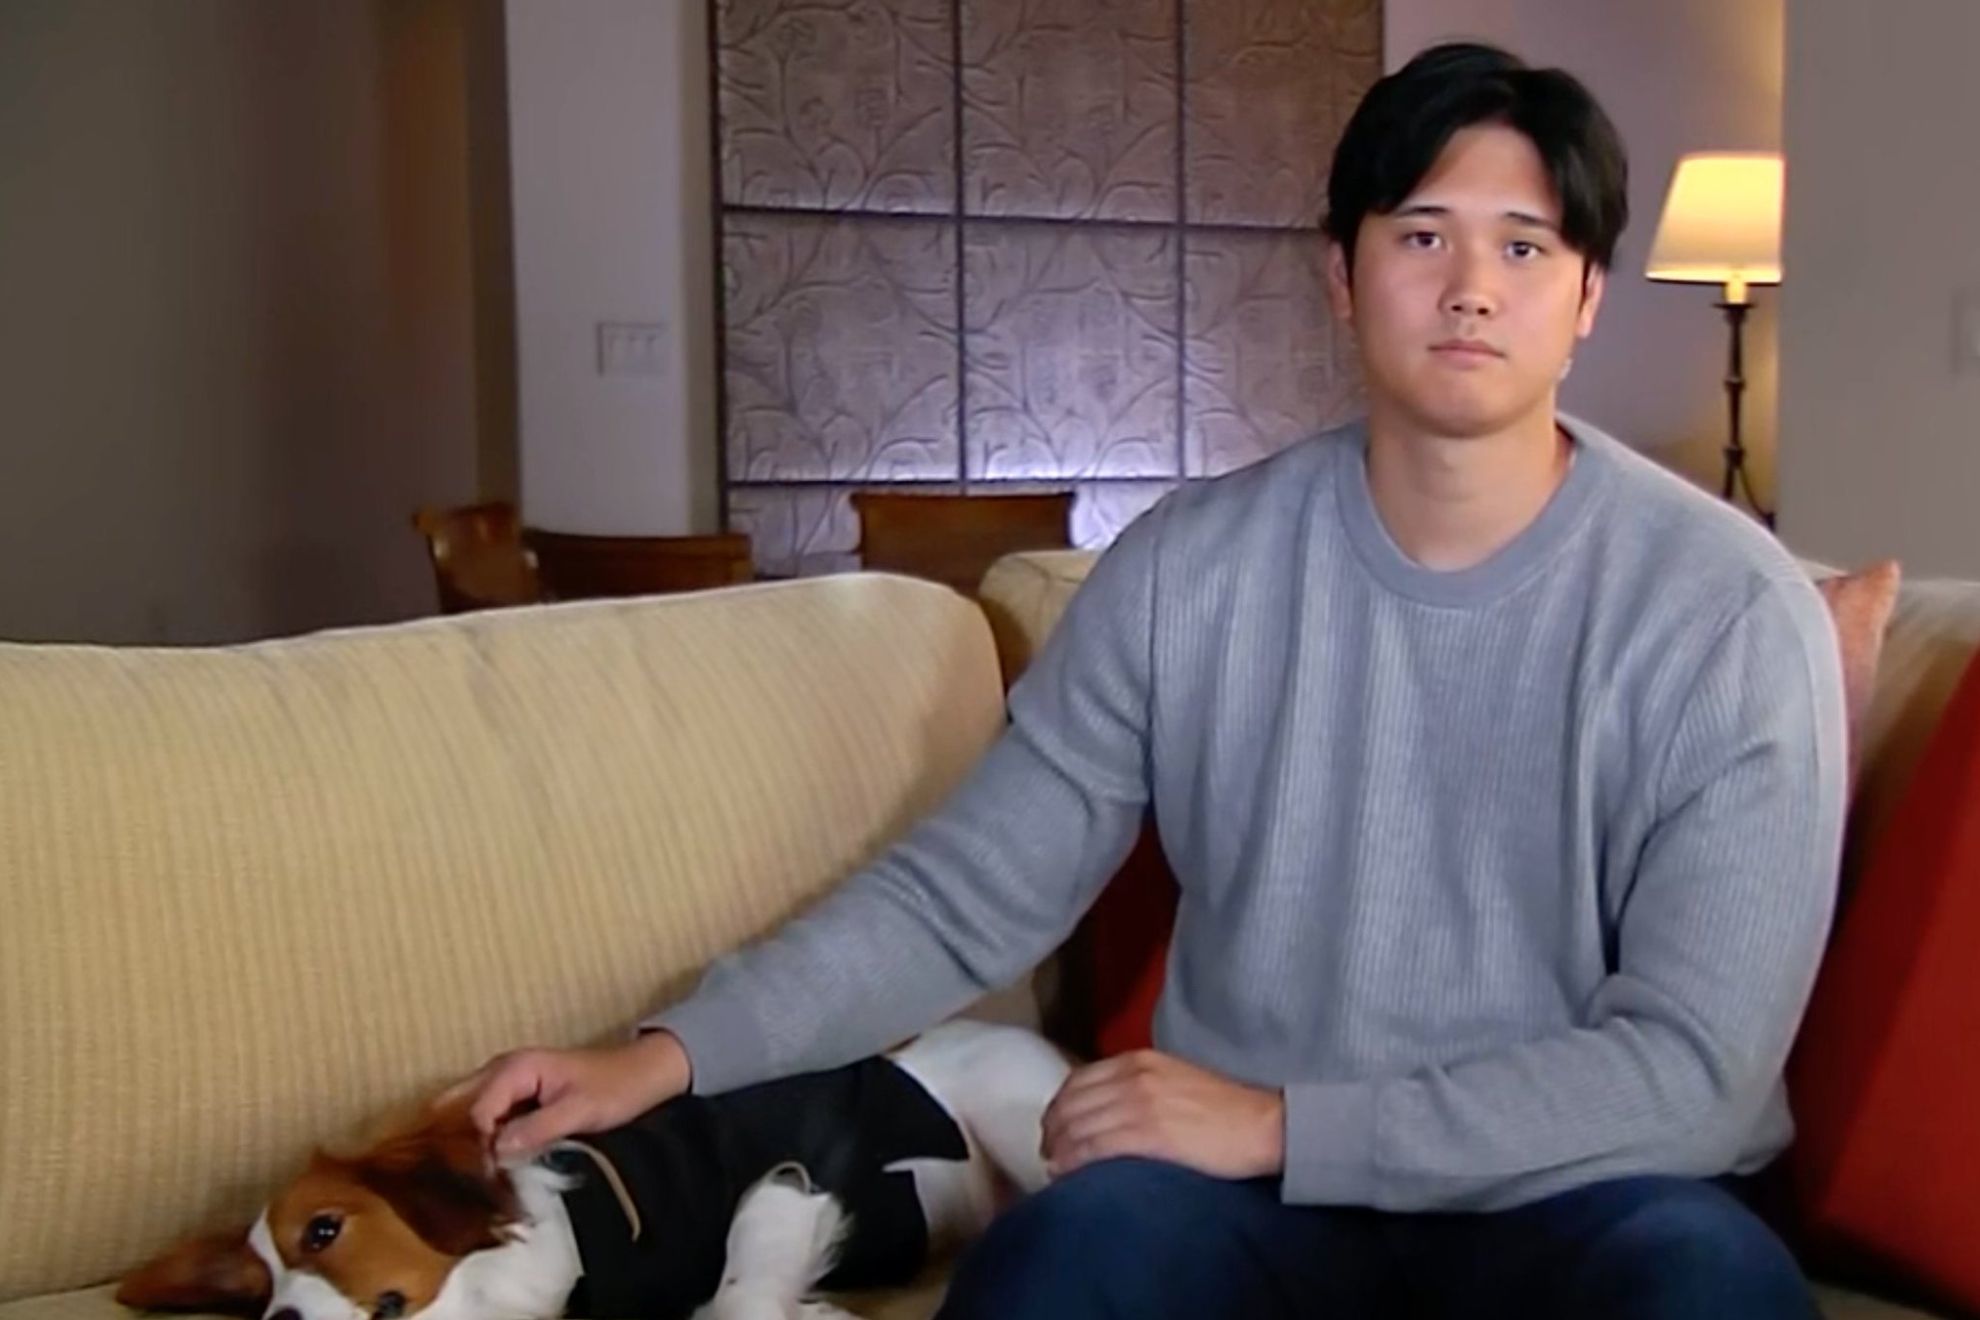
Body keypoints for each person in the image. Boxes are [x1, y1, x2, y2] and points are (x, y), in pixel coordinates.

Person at [455, 42, 1846, 1319]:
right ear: (1340, 274)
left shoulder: (1726, 616)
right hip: (1248, 1213)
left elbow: (1691, 1073)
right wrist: (663, 1056)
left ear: (1590, 292)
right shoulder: (1193, 572)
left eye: (1526, 247)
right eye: (1421, 235)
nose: (1471, 286)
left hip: (1589, 1198)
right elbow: (962, 898)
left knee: (1715, 1292)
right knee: (1059, 1268)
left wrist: (1279, 1120)